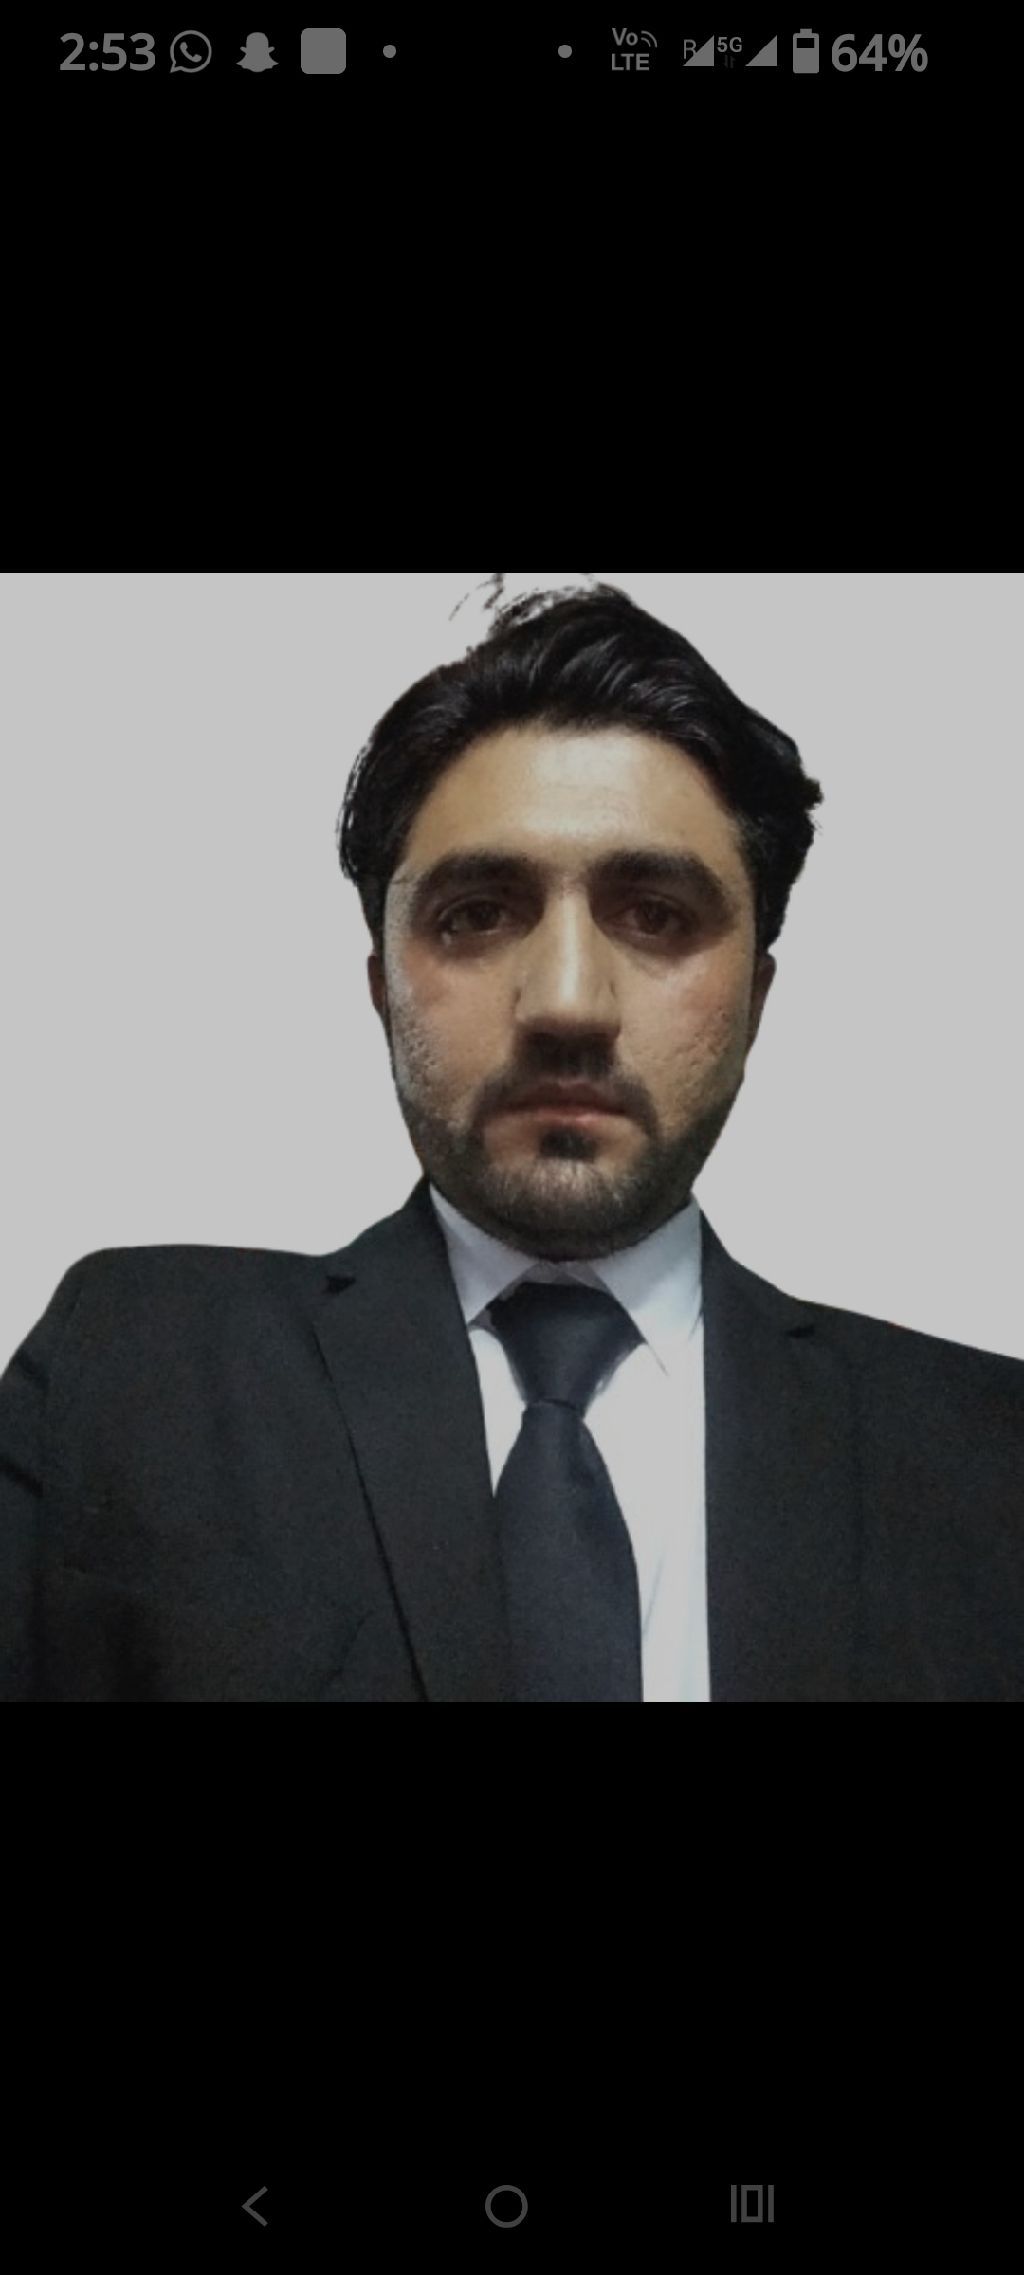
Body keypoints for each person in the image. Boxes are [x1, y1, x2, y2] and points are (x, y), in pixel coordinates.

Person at [2, 578, 1022, 1701]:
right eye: (478, 913)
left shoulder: (988, 1455)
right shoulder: (135, 1371)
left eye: (657, 914)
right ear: (383, 987)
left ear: (756, 997)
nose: (567, 1002)